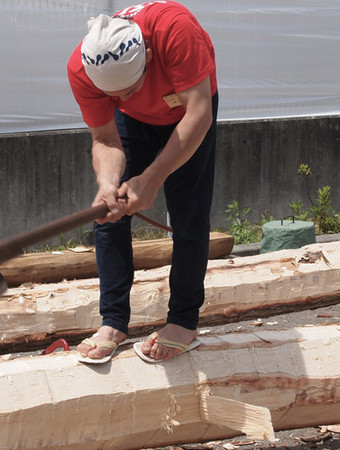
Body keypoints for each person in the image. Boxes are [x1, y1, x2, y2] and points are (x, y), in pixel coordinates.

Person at [66, 1, 218, 364]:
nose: (119, 100)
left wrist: (151, 179)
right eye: (112, 95)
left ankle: (183, 320)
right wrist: (108, 182)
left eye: (128, 90)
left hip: (188, 110)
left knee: (189, 213)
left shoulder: (175, 31)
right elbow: (104, 139)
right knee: (109, 213)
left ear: (148, 56)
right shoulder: (82, 68)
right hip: (133, 123)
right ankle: (113, 320)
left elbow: (199, 112)